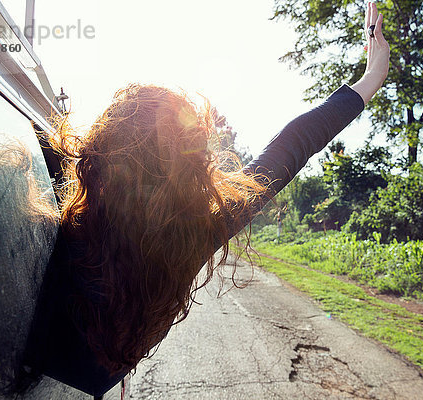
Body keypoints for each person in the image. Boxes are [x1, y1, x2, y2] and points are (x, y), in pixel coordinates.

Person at [27, 2, 389, 395]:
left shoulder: (38, 224)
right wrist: (370, 78)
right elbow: (292, 147)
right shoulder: (197, 231)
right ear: (194, 168)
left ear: (99, 152)